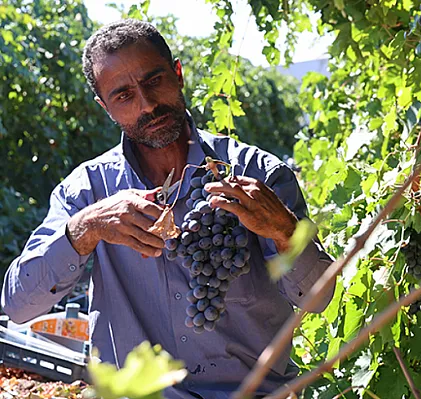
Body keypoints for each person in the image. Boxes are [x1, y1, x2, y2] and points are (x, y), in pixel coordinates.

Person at [1, 19, 335, 398]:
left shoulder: (258, 174)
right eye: (124, 95)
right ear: (105, 106)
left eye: (154, 81)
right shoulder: (87, 192)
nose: (147, 104)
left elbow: (319, 299)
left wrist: (283, 230)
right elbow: (18, 306)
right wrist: (85, 229)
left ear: (177, 74)